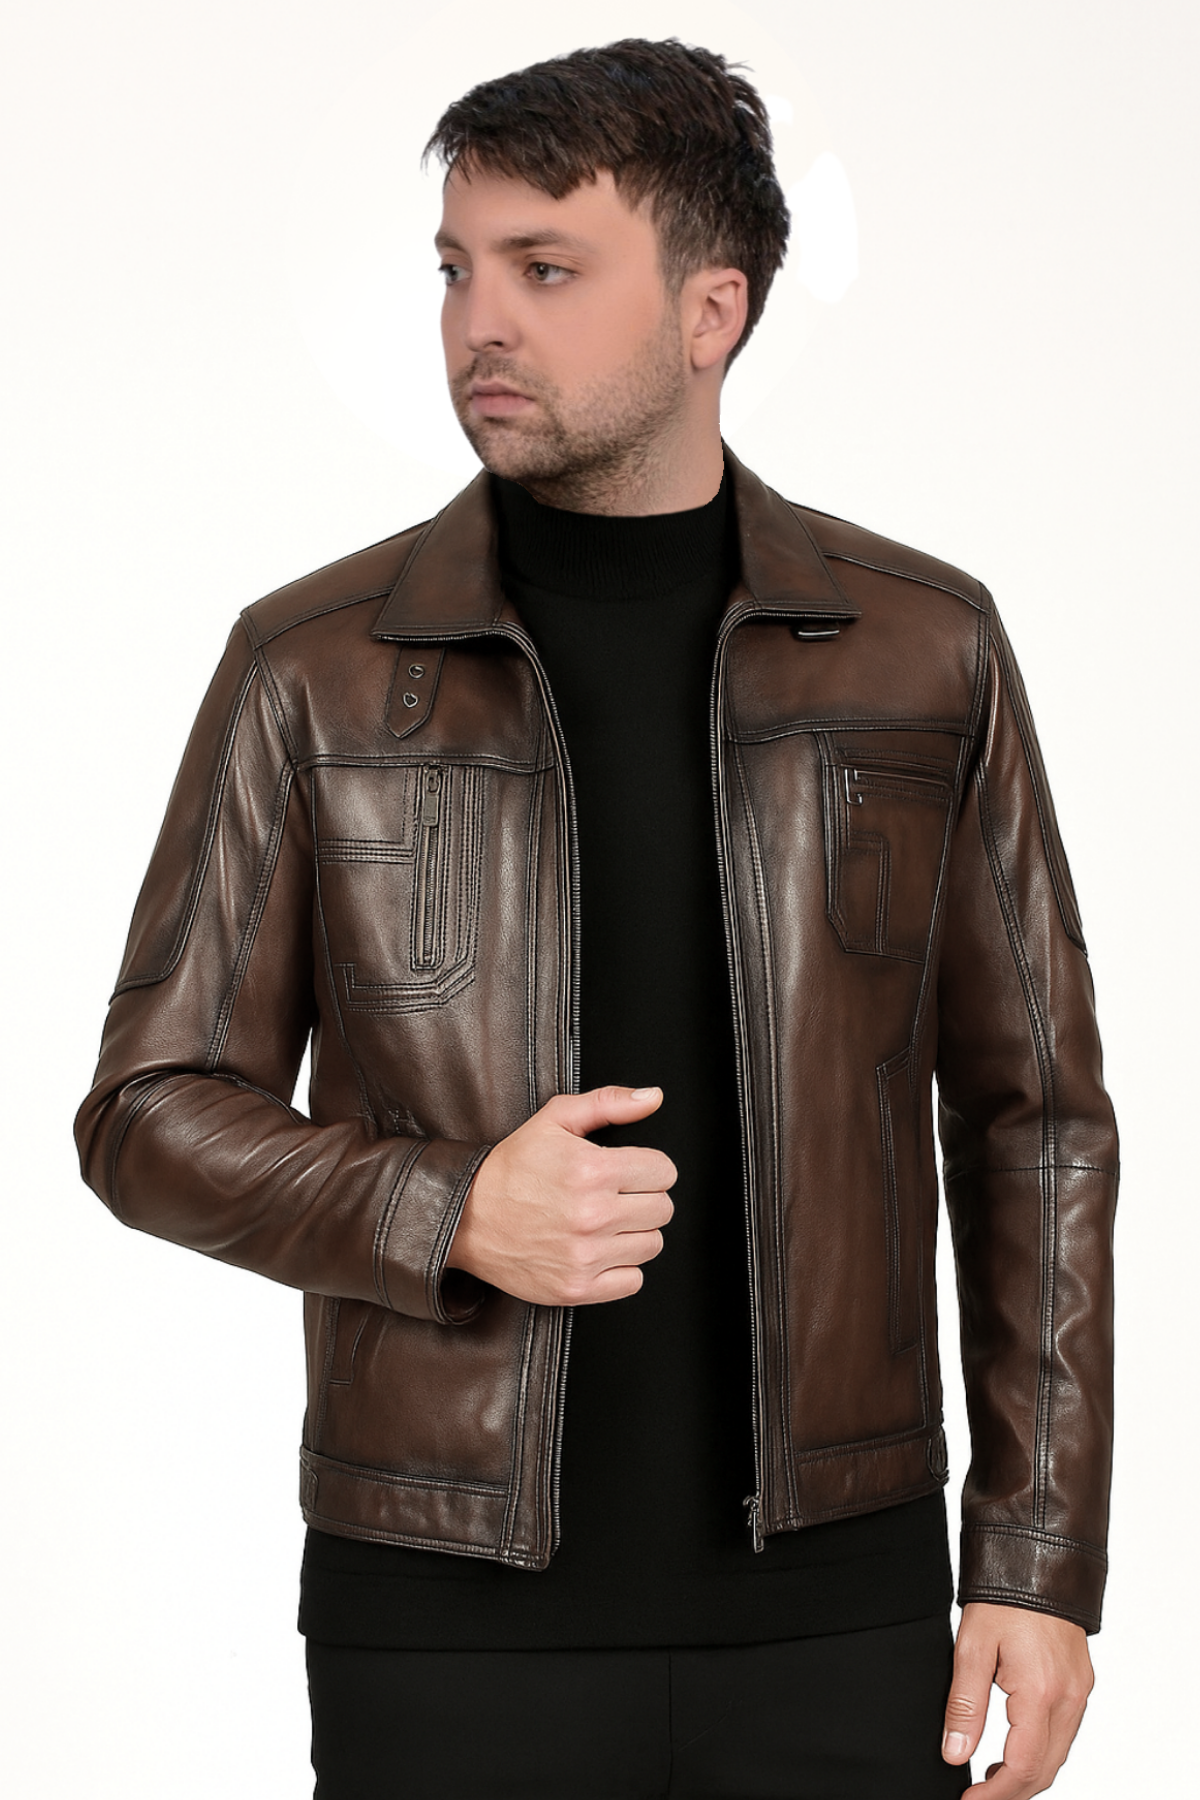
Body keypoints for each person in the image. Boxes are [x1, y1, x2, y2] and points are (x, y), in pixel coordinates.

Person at [74, 37, 1117, 1800]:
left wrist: (1036, 1554)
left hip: (843, 1617)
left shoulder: (923, 648)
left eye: (545, 269)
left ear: (713, 311)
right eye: (455, 268)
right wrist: (446, 1208)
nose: (478, 322)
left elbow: (1037, 1120)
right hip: (443, 1620)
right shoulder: (312, 668)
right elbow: (146, 1112)